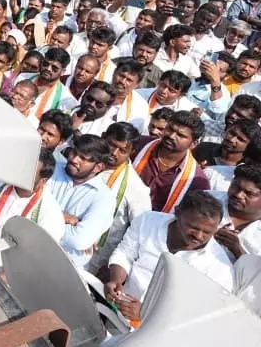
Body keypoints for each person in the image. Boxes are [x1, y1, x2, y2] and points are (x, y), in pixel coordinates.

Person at [103, 191, 235, 321]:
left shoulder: (219, 267)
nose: (198, 236)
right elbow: (125, 254)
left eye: (207, 232)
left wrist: (147, 313)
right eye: (193, 227)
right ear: (177, 212)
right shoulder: (148, 221)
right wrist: (116, 280)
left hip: (164, 329)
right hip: (116, 311)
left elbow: (206, 312)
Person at [0, 149, 66, 269]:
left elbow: (39, 259)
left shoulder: (51, 213)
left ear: (43, 180)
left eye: (28, 173)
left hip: (4, 274)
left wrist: (5, 276)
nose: (21, 174)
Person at [90, 122, 153, 273]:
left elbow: (141, 233)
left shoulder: (136, 188)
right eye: (111, 145)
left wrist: (115, 265)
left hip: (96, 260)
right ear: (103, 137)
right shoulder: (84, 160)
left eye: (122, 150)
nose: (114, 153)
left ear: (132, 151)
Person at [45, 134, 117, 266]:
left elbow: (79, 240)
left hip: (62, 265)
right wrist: (62, 217)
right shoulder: (52, 168)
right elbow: (25, 205)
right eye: (74, 152)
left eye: (83, 158)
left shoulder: (104, 198)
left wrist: (45, 217)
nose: (74, 159)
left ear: (98, 167)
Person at [133, 109, 212, 213]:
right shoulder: (138, 144)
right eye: (170, 129)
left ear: (193, 144)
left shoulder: (197, 181)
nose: (171, 136)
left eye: (180, 135)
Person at [214, 164, 261, 260]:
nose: (238, 195)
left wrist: (239, 251)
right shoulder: (205, 201)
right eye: (236, 187)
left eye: (249, 193)